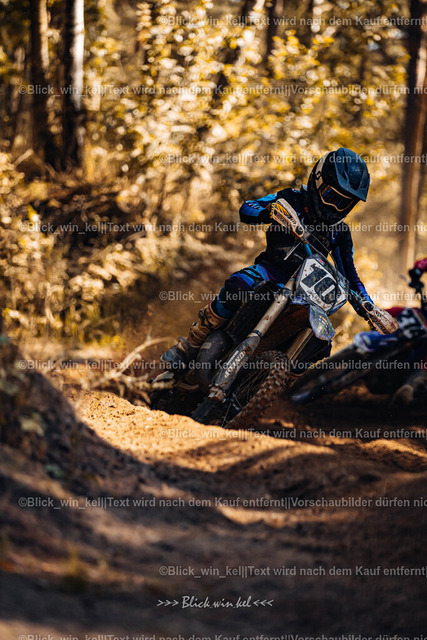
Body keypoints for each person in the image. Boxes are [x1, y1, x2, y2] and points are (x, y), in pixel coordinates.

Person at [162, 148, 393, 374]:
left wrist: (368, 307)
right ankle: (190, 346)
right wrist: (270, 210)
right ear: (318, 181)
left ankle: (277, 383)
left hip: (305, 296)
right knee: (239, 284)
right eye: (331, 197)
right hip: (270, 272)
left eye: (344, 203)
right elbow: (248, 208)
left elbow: (349, 277)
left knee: (320, 343)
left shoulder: (339, 232)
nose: (335, 207)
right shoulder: (290, 199)